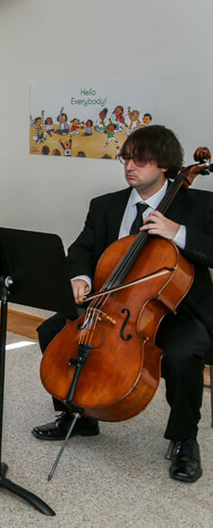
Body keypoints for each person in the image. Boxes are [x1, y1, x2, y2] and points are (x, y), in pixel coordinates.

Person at [32, 125, 213, 483]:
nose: (130, 166)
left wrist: (177, 233)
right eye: (126, 158)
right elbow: (81, 249)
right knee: (53, 330)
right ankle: (77, 416)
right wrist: (80, 278)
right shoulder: (106, 205)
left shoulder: (201, 204)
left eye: (140, 160)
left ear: (165, 165)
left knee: (183, 355)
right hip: (112, 304)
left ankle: (183, 439)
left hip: (175, 309)